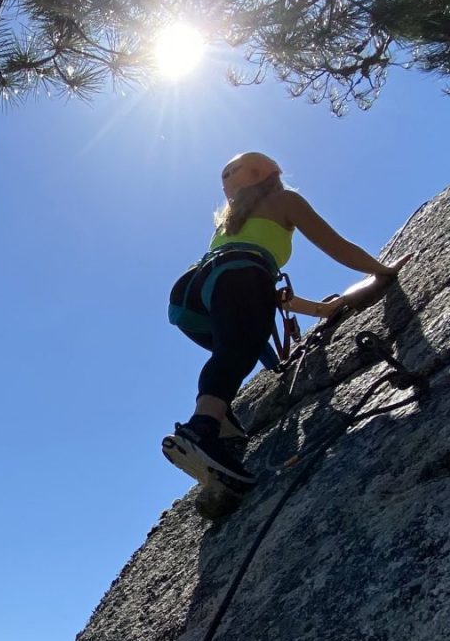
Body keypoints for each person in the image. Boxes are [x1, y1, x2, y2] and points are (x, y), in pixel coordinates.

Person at [162, 152, 406, 492]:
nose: (225, 179)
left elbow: (267, 298)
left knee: (232, 351)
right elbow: (334, 245)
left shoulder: (230, 223)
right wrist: (382, 269)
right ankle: (202, 429)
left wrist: (321, 311)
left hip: (192, 294)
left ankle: (223, 431)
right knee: (238, 349)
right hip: (237, 277)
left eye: (230, 172)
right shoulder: (283, 200)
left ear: (260, 171)